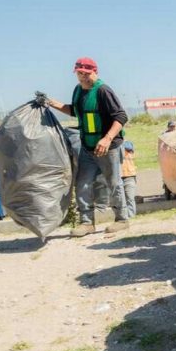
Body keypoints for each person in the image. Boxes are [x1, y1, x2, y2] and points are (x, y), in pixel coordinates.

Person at [48, 57, 129, 237]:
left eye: (86, 74)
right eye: (79, 74)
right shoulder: (78, 91)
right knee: (83, 183)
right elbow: (75, 111)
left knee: (113, 183)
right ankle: (86, 223)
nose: (83, 78)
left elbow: (121, 117)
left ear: (95, 72)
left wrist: (107, 139)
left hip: (108, 147)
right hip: (87, 147)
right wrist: (53, 104)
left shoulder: (103, 91)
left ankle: (122, 219)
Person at [121, 141, 137, 218]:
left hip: (129, 176)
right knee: (120, 200)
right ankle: (123, 217)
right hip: (118, 177)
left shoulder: (127, 144)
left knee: (130, 198)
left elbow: (129, 147)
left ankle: (131, 216)